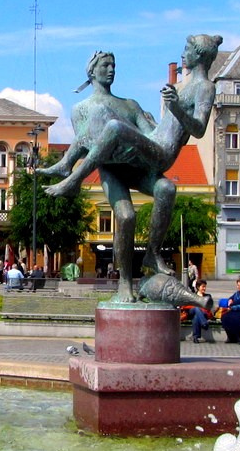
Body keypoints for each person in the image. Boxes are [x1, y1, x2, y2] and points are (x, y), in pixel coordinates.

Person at [38, 36, 221, 301]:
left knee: (117, 131)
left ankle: (73, 177)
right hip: (111, 167)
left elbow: (167, 132)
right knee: (130, 213)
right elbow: (89, 141)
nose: (111, 70)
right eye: (106, 65)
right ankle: (126, 283)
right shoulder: (80, 108)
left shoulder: (135, 103)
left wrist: (167, 113)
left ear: (199, 55)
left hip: (144, 160)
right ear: (91, 71)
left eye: (114, 65)